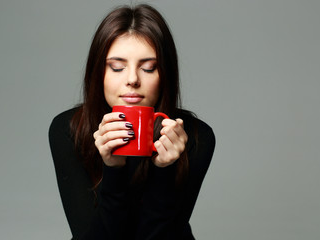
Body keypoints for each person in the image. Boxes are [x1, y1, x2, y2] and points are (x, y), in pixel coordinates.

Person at [49, 4, 215, 240]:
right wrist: (113, 169)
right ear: (98, 72)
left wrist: (163, 171)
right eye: (117, 67)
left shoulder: (195, 137)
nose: (132, 79)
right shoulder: (69, 130)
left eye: (148, 68)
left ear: (165, 74)